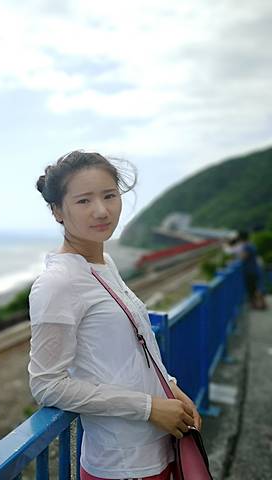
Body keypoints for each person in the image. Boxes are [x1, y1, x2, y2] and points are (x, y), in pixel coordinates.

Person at [27, 151, 202, 480]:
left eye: (109, 195)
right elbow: (47, 385)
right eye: (84, 201)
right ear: (57, 211)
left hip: (160, 446)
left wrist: (171, 389)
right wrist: (149, 407)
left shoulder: (104, 265)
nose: (101, 210)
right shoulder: (57, 283)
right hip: (121, 464)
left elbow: (133, 349)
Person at [236, 230, 267, 310]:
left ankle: (257, 305)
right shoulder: (251, 245)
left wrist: (238, 256)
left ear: (240, 238)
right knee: (257, 288)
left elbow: (243, 257)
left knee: (253, 289)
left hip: (250, 271)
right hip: (254, 269)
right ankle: (261, 304)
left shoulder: (246, 246)